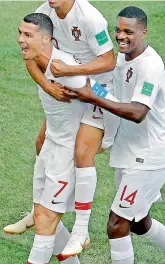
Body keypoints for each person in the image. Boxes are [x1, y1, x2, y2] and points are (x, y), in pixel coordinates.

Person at [62, 6, 165, 263]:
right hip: (128, 154)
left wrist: (93, 97)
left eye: (129, 31)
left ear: (144, 32)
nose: (121, 36)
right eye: (118, 30)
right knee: (138, 222)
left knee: (117, 224)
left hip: (149, 159)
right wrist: (87, 89)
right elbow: (114, 96)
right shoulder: (122, 57)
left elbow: (138, 112)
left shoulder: (150, 66)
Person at [4, 0, 119, 257]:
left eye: (27, 35)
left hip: (94, 91)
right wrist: (48, 85)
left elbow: (109, 61)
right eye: (20, 34)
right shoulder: (44, 14)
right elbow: (33, 59)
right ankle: (37, 212)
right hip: (66, 84)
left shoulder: (89, 18)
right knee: (41, 141)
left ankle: (81, 229)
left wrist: (71, 70)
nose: (21, 39)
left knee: (81, 152)